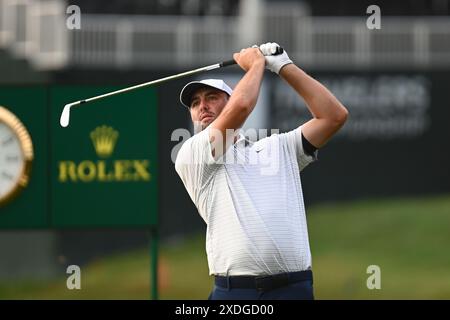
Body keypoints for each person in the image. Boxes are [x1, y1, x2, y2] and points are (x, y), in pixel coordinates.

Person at [175, 42, 348, 300]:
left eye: (211, 98)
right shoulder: (192, 153)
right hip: (236, 292)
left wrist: (283, 66)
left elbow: (334, 116)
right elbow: (242, 106)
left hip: (295, 289)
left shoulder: (279, 147)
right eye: (195, 103)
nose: (202, 106)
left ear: (228, 101)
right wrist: (256, 64)